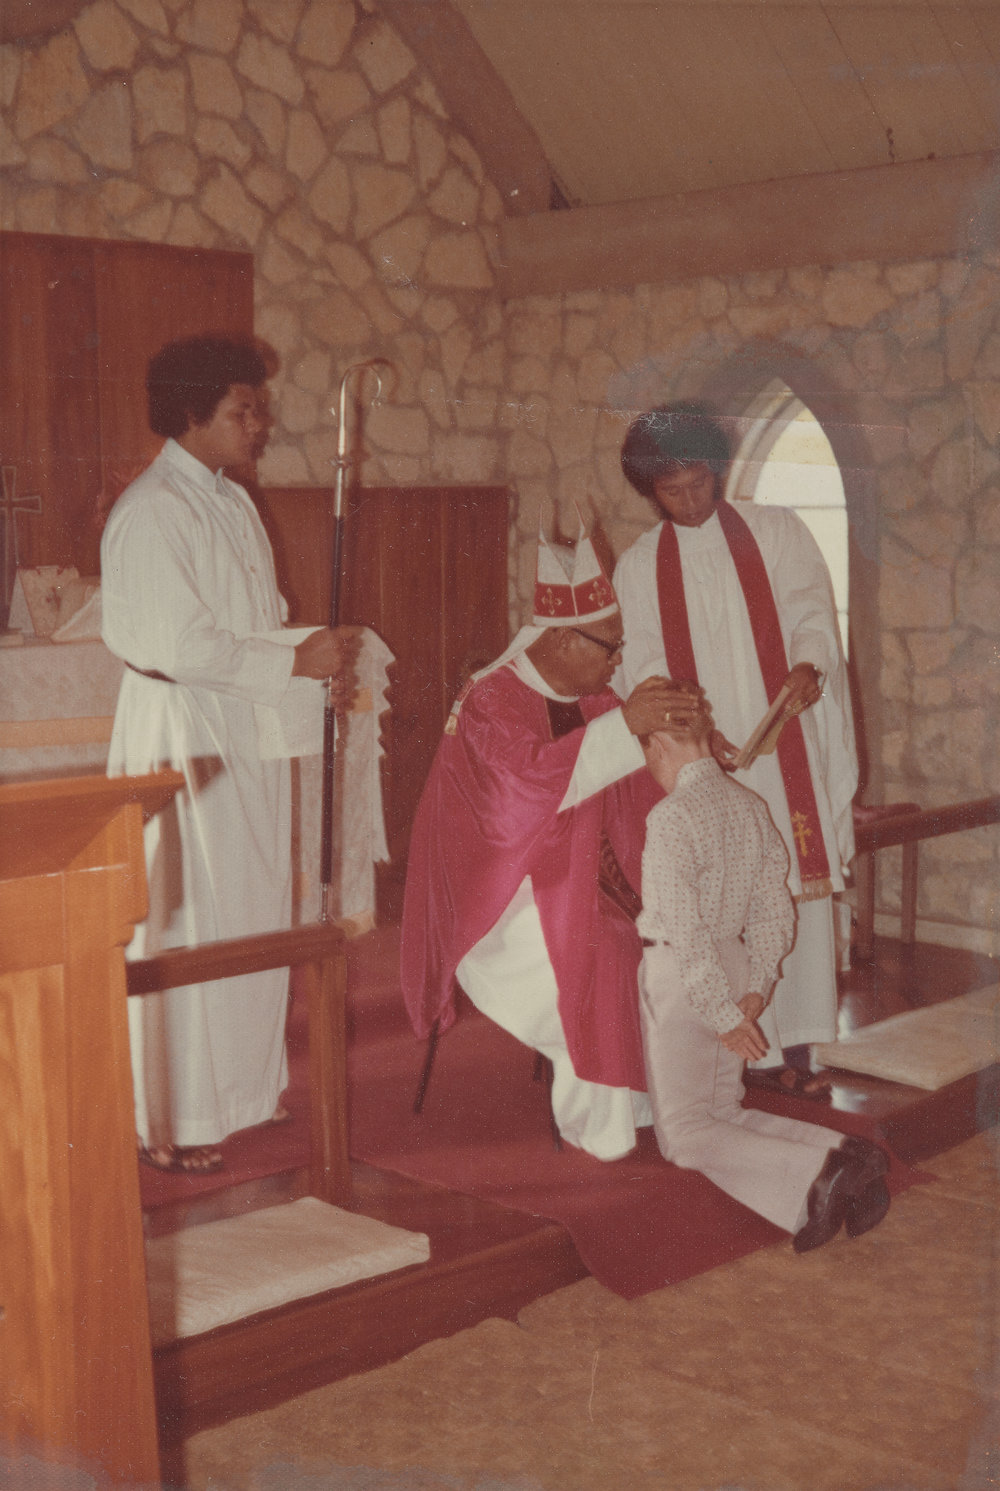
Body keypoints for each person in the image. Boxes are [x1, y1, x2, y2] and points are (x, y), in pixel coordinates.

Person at [102, 334, 357, 1174]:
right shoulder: (151, 509)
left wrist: (308, 655)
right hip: (181, 728)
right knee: (189, 913)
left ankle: (240, 1091)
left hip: (239, 721)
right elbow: (177, 641)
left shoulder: (233, 501)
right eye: (243, 410)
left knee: (247, 904)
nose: (261, 423)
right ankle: (172, 1114)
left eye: (259, 408)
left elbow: (255, 618)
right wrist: (291, 659)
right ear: (189, 415)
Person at [400, 523, 703, 1160]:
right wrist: (628, 727)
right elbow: (521, 795)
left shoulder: (590, 696)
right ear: (564, 639)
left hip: (582, 876)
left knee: (668, 921)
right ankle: (600, 1125)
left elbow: (633, 781)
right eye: (610, 648)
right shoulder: (491, 700)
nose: (617, 662)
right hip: (497, 894)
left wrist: (691, 754)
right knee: (609, 944)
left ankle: (650, 1100)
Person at [614, 402, 859, 1099]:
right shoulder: (640, 566)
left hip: (784, 747)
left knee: (787, 890)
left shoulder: (776, 531)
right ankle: (738, 1053)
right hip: (706, 761)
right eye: (673, 490)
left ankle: (799, 1044)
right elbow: (646, 664)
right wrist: (696, 733)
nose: (690, 499)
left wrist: (809, 664)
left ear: (715, 469)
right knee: (725, 891)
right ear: (650, 491)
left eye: (699, 481)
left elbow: (813, 608)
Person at [637, 708, 889, 1250]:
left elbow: (683, 929)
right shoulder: (750, 806)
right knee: (724, 1111)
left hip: (684, 975)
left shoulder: (671, 817)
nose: (649, 764)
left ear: (658, 743)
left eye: (646, 751)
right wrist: (755, 987)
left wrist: (723, 1015)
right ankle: (847, 1154)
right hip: (734, 964)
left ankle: (817, 1178)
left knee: (684, 1133)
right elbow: (776, 912)